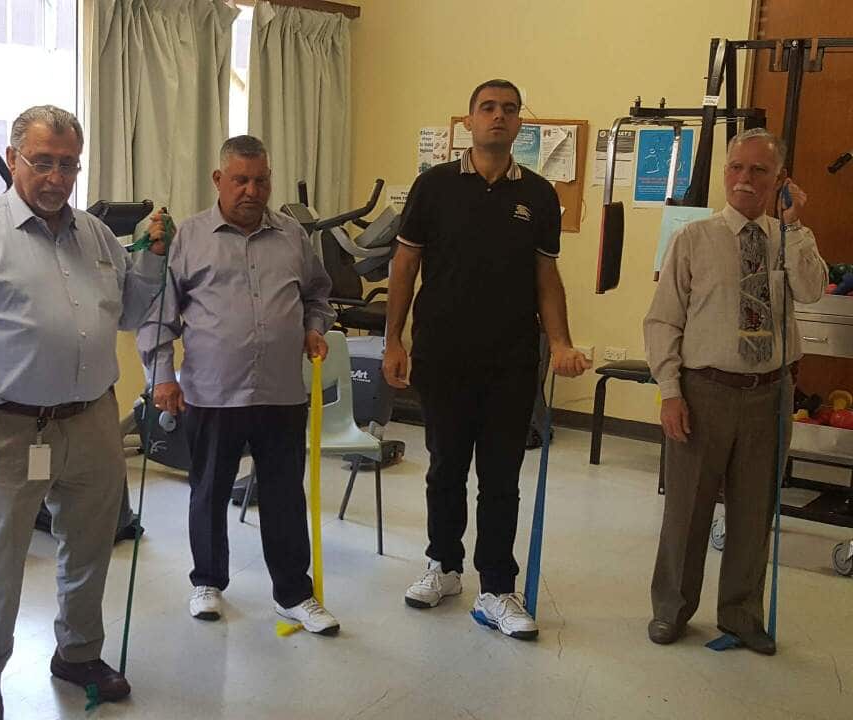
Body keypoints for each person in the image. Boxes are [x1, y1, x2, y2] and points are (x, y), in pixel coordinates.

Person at [0, 105, 166, 720]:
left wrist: (152, 259)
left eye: (68, 165)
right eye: (43, 162)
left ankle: (77, 654)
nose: (56, 178)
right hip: (8, 425)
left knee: (90, 546)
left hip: (93, 419)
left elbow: (131, 314)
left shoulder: (96, 236)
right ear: (13, 158)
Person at [383, 79, 590, 641]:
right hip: (442, 354)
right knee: (445, 467)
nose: (499, 116)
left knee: (500, 477)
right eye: (488, 108)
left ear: (520, 124)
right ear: (470, 120)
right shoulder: (434, 186)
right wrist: (393, 340)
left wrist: (562, 342)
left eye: (509, 109)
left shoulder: (540, 195)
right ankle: (444, 565)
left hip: (511, 359)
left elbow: (547, 277)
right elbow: (404, 266)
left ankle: (496, 587)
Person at [138, 135, 340, 635]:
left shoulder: (293, 236)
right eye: (241, 180)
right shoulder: (189, 237)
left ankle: (293, 594)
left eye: (261, 180)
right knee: (209, 491)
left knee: (284, 496)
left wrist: (314, 327)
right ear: (218, 180)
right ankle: (207, 582)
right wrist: (161, 378)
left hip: (280, 393)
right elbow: (158, 314)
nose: (252, 190)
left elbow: (318, 295)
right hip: (212, 392)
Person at [644, 127, 825, 654]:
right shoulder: (693, 240)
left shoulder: (790, 239)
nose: (745, 179)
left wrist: (795, 226)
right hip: (705, 391)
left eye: (759, 170)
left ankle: (742, 615)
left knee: (754, 510)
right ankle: (672, 609)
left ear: (780, 179)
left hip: (770, 394)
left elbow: (812, 291)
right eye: (736, 167)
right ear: (725, 172)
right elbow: (662, 320)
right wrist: (670, 391)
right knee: (687, 510)